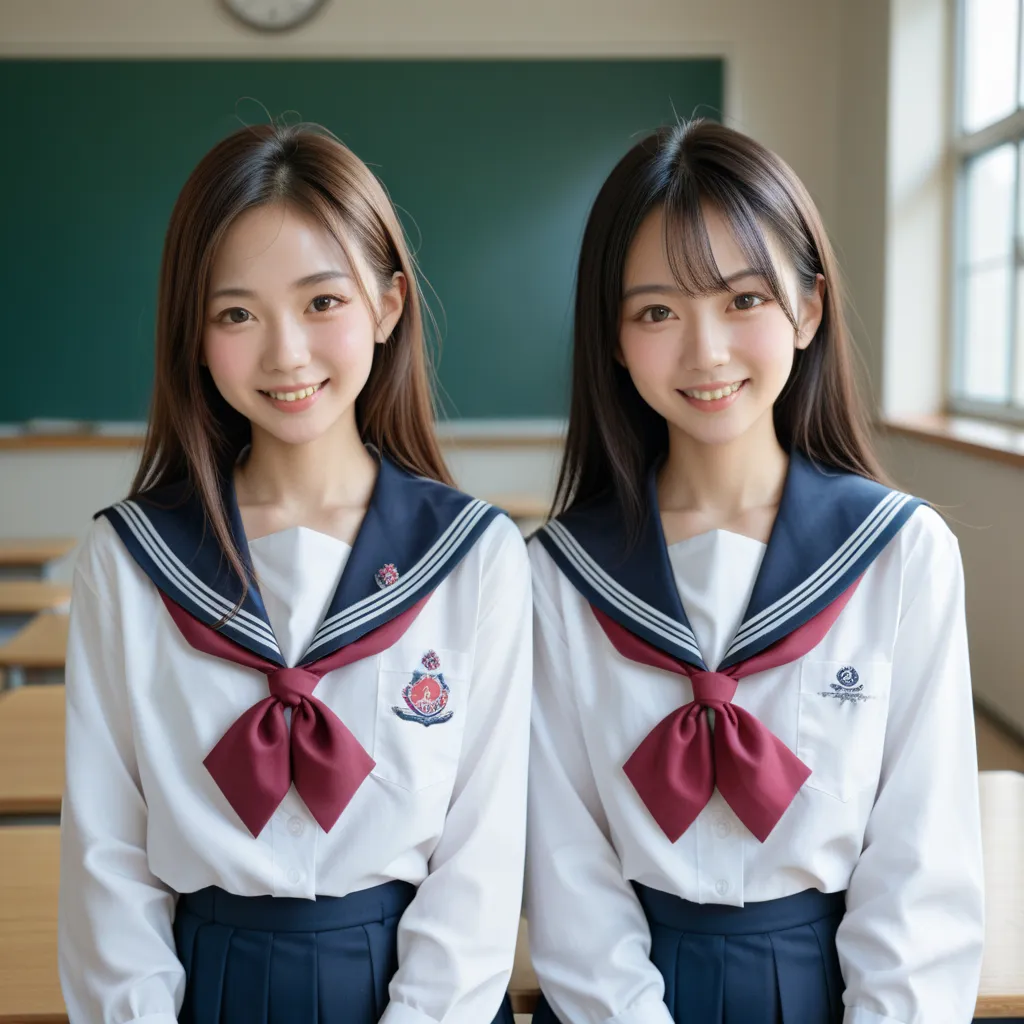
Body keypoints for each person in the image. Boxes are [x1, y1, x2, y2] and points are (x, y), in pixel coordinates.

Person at [58, 122, 530, 1024]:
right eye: (237, 313)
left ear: (388, 305)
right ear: (193, 336)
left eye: (323, 302)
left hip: (415, 989)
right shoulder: (129, 562)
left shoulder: (475, 558)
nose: (287, 354)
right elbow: (105, 862)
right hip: (204, 988)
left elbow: (480, 861)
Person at [525, 119, 983, 1024]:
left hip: (836, 990)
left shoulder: (900, 553)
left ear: (807, 308)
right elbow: (567, 871)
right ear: (612, 337)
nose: (706, 353)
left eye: (742, 300)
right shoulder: (556, 578)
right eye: (657, 311)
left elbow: (920, 868)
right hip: (621, 995)